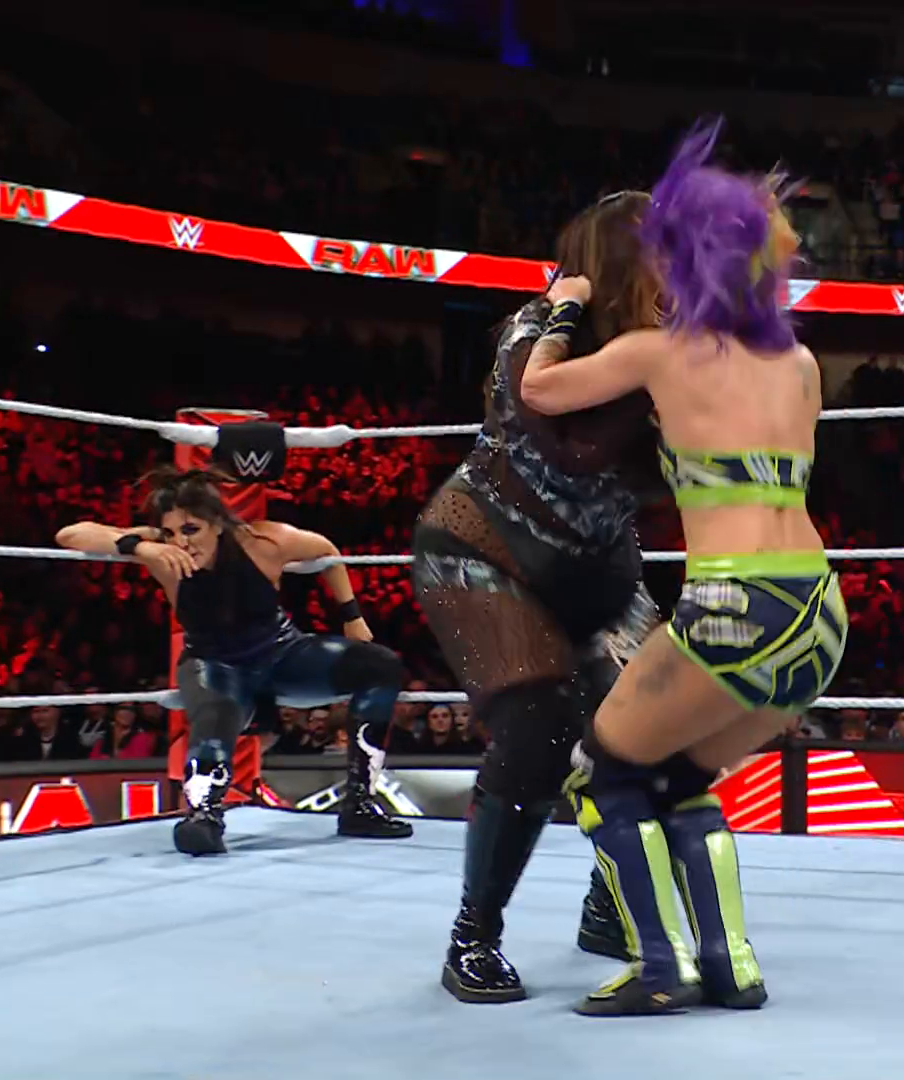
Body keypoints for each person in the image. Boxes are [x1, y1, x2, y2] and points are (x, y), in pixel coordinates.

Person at [520, 117, 846, 1016]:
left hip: (734, 603)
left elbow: (539, 390)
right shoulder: (801, 363)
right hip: (820, 615)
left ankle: (659, 967)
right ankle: (729, 965)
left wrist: (562, 306)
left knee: (600, 773)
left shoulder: (660, 353)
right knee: (675, 778)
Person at [411, 190, 679, 1004]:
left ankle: (608, 902)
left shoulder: (671, 345)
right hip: (486, 553)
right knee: (539, 722)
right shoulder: (539, 327)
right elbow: (551, 420)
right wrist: (568, 310)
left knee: (663, 721)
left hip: (598, 569)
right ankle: (474, 935)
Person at [54, 468, 412, 855]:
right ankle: (204, 815)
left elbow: (325, 550)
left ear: (217, 524)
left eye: (191, 530)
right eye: (171, 533)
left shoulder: (262, 542)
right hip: (215, 664)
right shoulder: (161, 551)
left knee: (381, 666)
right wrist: (141, 547)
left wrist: (351, 616)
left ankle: (359, 804)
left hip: (281, 654)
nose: (181, 543)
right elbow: (70, 534)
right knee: (217, 712)